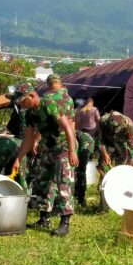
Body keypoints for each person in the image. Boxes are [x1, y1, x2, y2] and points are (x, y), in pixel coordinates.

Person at [12, 82, 78, 236]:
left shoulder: (48, 105)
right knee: (42, 182)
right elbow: (28, 139)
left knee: (63, 183)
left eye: (23, 100)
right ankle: (44, 219)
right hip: (47, 148)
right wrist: (18, 158)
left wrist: (72, 151)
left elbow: (67, 127)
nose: (22, 104)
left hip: (63, 147)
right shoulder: (30, 114)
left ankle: (64, 223)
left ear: (32, 95)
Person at [96, 111, 133, 209]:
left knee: (121, 177)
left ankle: (119, 204)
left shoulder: (129, 125)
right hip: (107, 147)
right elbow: (99, 140)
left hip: (121, 149)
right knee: (104, 175)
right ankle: (104, 206)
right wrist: (105, 154)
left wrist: (128, 166)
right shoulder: (103, 121)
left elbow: (132, 147)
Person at [74, 130, 95, 207]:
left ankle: (81, 198)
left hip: (86, 142)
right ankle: (75, 194)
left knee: (80, 171)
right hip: (77, 142)